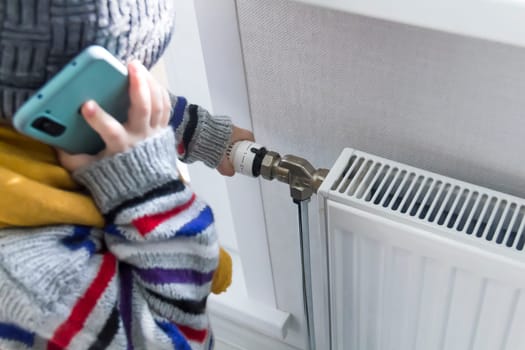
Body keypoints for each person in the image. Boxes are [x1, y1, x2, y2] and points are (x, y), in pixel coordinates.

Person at [0, 1, 253, 349]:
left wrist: (208, 136)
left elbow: (130, 104)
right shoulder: (36, 286)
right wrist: (147, 185)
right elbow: (180, 341)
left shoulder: (22, 84)